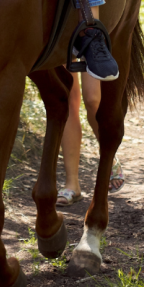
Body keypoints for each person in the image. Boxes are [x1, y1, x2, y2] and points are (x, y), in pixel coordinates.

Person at [56, 71, 124, 206]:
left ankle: (109, 155)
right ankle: (72, 184)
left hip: (91, 48)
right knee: (68, 98)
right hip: (62, 49)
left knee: (92, 99)